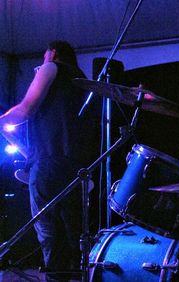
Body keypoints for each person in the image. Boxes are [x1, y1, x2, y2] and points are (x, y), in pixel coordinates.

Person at [0, 41, 99, 280]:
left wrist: (3, 118)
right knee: (75, 236)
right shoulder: (80, 80)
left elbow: (26, 109)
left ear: (52, 53)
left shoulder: (51, 67)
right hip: (77, 167)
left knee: (49, 235)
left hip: (50, 164)